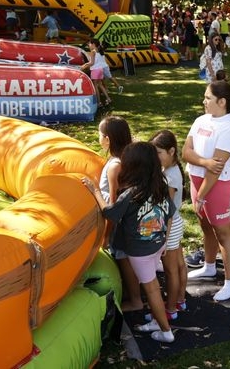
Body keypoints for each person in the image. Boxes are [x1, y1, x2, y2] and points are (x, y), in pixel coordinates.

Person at [83, 142, 176, 343]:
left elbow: (110, 214)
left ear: (133, 167)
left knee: (151, 289)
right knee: (153, 287)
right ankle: (157, 321)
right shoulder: (161, 186)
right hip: (157, 243)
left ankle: (166, 332)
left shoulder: (131, 194)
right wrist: (165, 243)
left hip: (140, 252)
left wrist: (95, 191)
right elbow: (169, 213)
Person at [184, 80, 230, 302]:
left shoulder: (229, 128)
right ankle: (209, 266)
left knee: (223, 232)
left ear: (222, 101)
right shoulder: (200, 120)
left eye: (208, 98)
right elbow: (185, 152)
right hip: (197, 180)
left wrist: (201, 195)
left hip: (215, 185)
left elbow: (216, 170)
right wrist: (204, 162)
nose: (204, 101)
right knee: (205, 226)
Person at [91, 116, 142, 311]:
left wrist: (105, 236)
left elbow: (113, 207)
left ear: (108, 139)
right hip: (126, 220)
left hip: (120, 224)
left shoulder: (115, 166)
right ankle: (133, 293)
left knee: (123, 257)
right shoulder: (121, 159)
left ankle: (136, 300)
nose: (98, 138)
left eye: (100, 134)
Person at [149, 129, 187, 321]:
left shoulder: (170, 177)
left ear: (171, 151)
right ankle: (180, 300)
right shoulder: (170, 170)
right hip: (176, 223)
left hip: (169, 226)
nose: (156, 157)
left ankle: (170, 309)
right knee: (179, 264)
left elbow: (168, 210)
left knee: (171, 270)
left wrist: (164, 235)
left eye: (158, 153)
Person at [81, 39, 111, 107]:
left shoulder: (93, 51)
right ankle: (108, 99)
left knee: (96, 86)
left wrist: (84, 66)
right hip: (100, 70)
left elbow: (92, 63)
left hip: (95, 70)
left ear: (93, 44)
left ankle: (99, 102)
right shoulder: (100, 51)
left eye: (89, 44)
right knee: (100, 85)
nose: (88, 45)